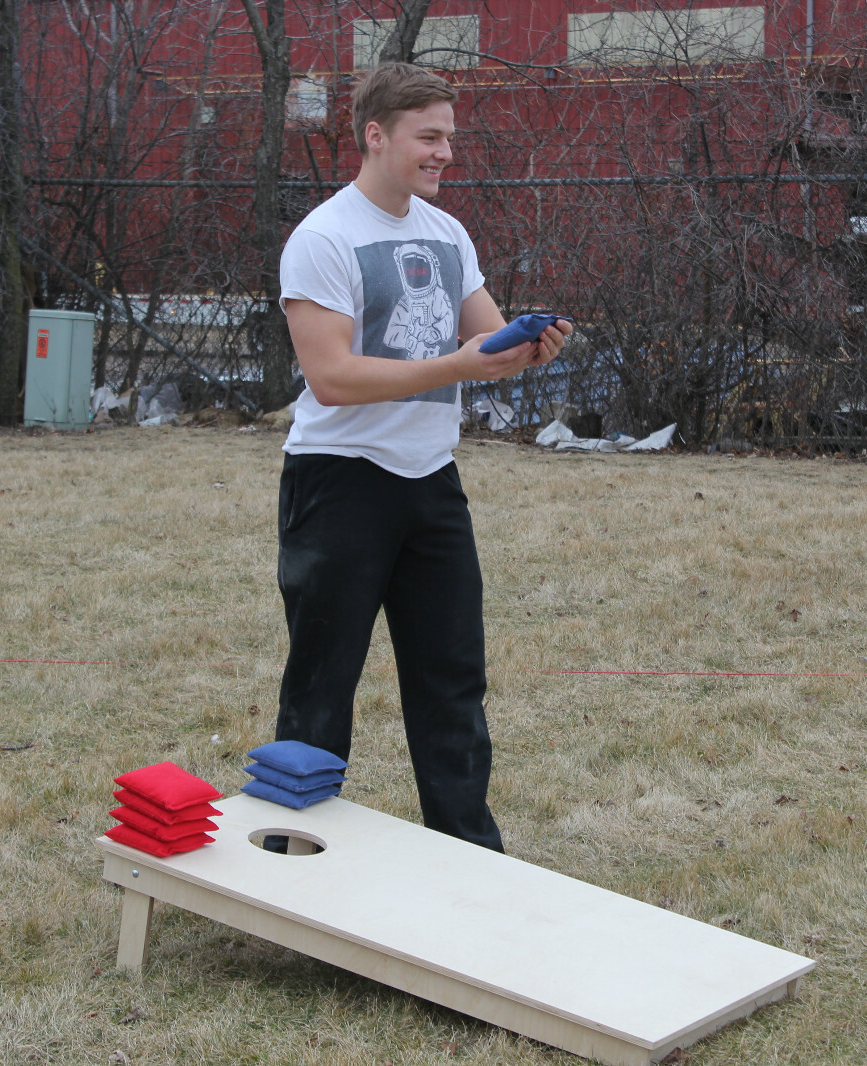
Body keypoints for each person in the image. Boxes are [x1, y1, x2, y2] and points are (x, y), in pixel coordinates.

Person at [272, 61, 571, 852]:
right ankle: (291, 861)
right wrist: (460, 365)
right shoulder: (325, 237)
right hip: (339, 486)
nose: (445, 154)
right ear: (376, 136)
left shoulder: (446, 232)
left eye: (449, 138)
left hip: (430, 484)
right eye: (428, 137)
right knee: (321, 687)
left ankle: (471, 861)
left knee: (452, 685)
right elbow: (332, 378)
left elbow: (486, 336)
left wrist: (526, 347)